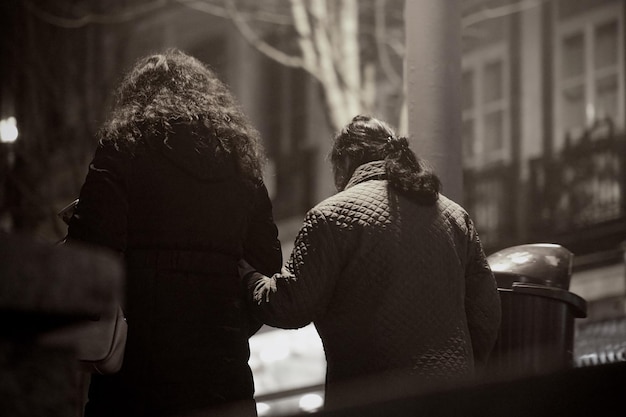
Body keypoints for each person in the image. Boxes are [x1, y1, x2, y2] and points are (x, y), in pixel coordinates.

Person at [65, 49, 282, 417]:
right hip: (222, 370)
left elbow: (89, 254)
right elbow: (266, 260)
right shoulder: (238, 158)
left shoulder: (124, 144)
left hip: (139, 372)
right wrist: (229, 324)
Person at [242, 115, 501, 410]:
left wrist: (248, 277)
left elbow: (290, 305)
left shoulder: (330, 217)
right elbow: (486, 314)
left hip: (372, 398)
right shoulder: (455, 216)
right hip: (453, 400)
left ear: (344, 163)